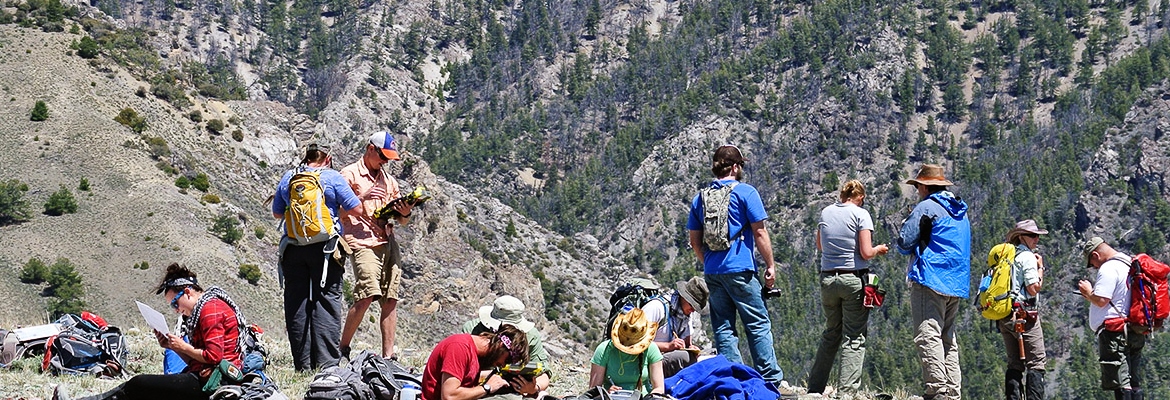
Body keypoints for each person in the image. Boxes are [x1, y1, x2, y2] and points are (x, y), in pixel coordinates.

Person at [53, 264, 247, 400]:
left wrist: (183, 346)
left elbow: (213, 356)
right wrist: (174, 347)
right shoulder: (205, 309)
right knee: (139, 387)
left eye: (175, 303)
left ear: (187, 292)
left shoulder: (209, 310)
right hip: (206, 374)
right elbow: (200, 360)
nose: (176, 310)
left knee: (139, 384)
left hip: (215, 381)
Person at [685, 144, 784, 385]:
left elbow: (694, 241)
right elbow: (759, 233)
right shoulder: (746, 193)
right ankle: (770, 380)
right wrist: (770, 265)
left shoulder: (701, 198)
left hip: (713, 272)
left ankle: (734, 379)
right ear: (736, 166)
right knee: (757, 323)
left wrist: (709, 262)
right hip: (740, 269)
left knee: (723, 327)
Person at [272, 143, 361, 371]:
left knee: (296, 304)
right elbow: (356, 208)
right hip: (326, 249)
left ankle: (303, 365)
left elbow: (277, 213)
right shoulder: (332, 176)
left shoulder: (289, 177)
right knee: (326, 301)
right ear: (328, 158)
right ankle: (327, 364)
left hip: (293, 248)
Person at [808, 180, 889, 397]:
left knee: (831, 332)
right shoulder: (861, 214)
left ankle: (815, 387)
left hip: (827, 279)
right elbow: (865, 252)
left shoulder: (825, 212)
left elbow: (820, 246)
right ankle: (846, 392)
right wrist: (878, 249)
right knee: (854, 336)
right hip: (853, 279)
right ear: (860, 197)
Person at [896, 164, 971, 400]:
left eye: (918, 186)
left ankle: (937, 390)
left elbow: (904, 242)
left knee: (928, 334)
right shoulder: (959, 210)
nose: (918, 191)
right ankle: (953, 392)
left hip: (930, 278)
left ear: (925, 186)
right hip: (956, 282)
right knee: (948, 338)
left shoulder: (927, 207)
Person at [339, 132, 414, 360]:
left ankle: (388, 356)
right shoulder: (349, 174)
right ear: (370, 148)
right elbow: (336, 210)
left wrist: (405, 212)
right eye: (383, 155)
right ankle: (342, 348)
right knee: (366, 295)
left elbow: (402, 221)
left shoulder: (389, 181)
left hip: (387, 240)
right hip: (362, 242)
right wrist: (362, 198)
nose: (385, 161)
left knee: (390, 298)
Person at [1078, 237, 1145, 400]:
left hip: (1115, 333)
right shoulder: (1129, 263)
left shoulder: (1108, 268)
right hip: (1134, 329)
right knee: (1133, 380)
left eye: (1092, 263)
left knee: (1120, 382)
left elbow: (1102, 300)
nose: (1094, 267)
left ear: (1095, 255)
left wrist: (1088, 293)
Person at [460, 296, 551, 398]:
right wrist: (491, 378)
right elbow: (459, 374)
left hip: (514, 390)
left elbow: (544, 373)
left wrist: (533, 387)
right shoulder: (473, 330)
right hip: (477, 389)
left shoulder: (530, 336)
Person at [1000, 220, 1049, 400]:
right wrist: (1040, 269)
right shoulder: (1027, 257)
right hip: (1024, 315)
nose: (1036, 239)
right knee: (1036, 362)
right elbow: (1033, 288)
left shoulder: (1009, 256)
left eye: (1037, 236)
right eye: (1032, 235)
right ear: (1021, 237)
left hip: (1005, 315)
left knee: (1014, 363)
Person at [421, 324, 529, 400]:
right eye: (509, 359)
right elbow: (449, 396)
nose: (504, 365)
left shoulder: (478, 355)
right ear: (501, 346)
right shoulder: (459, 347)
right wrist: (487, 387)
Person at [640, 276, 709, 378]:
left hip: (663, 358)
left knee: (692, 358)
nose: (693, 310)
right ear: (684, 297)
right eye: (692, 305)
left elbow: (687, 344)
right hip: (645, 360)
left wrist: (692, 349)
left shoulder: (685, 316)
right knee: (684, 358)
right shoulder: (656, 308)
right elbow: (637, 342)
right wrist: (668, 346)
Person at [588, 308, 666, 396]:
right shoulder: (604, 349)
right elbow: (593, 390)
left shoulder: (651, 349)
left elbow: (659, 388)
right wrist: (606, 393)